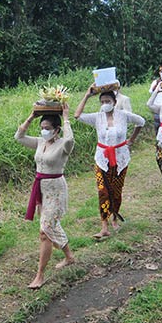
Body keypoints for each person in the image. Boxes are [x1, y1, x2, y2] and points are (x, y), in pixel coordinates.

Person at [15, 104, 76, 289]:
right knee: (51, 226)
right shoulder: (40, 142)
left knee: (45, 232)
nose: (44, 132)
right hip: (42, 189)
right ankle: (69, 257)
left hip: (56, 190)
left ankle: (40, 275)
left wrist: (65, 118)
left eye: (47, 129)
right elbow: (19, 137)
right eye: (42, 128)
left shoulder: (63, 145)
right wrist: (31, 117)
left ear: (56, 130)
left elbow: (70, 139)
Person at [75, 88, 145, 240]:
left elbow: (141, 122)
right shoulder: (97, 117)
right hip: (102, 159)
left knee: (116, 191)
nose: (105, 104)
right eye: (102, 102)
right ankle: (104, 225)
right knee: (103, 191)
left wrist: (131, 140)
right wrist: (87, 95)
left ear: (114, 102)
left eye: (108, 101)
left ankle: (114, 218)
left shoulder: (123, 116)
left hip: (120, 159)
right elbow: (77, 116)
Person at [147, 64, 162, 131]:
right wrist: (158, 86)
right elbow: (151, 91)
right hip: (157, 105)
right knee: (157, 123)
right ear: (159, 73)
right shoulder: (156, 82)